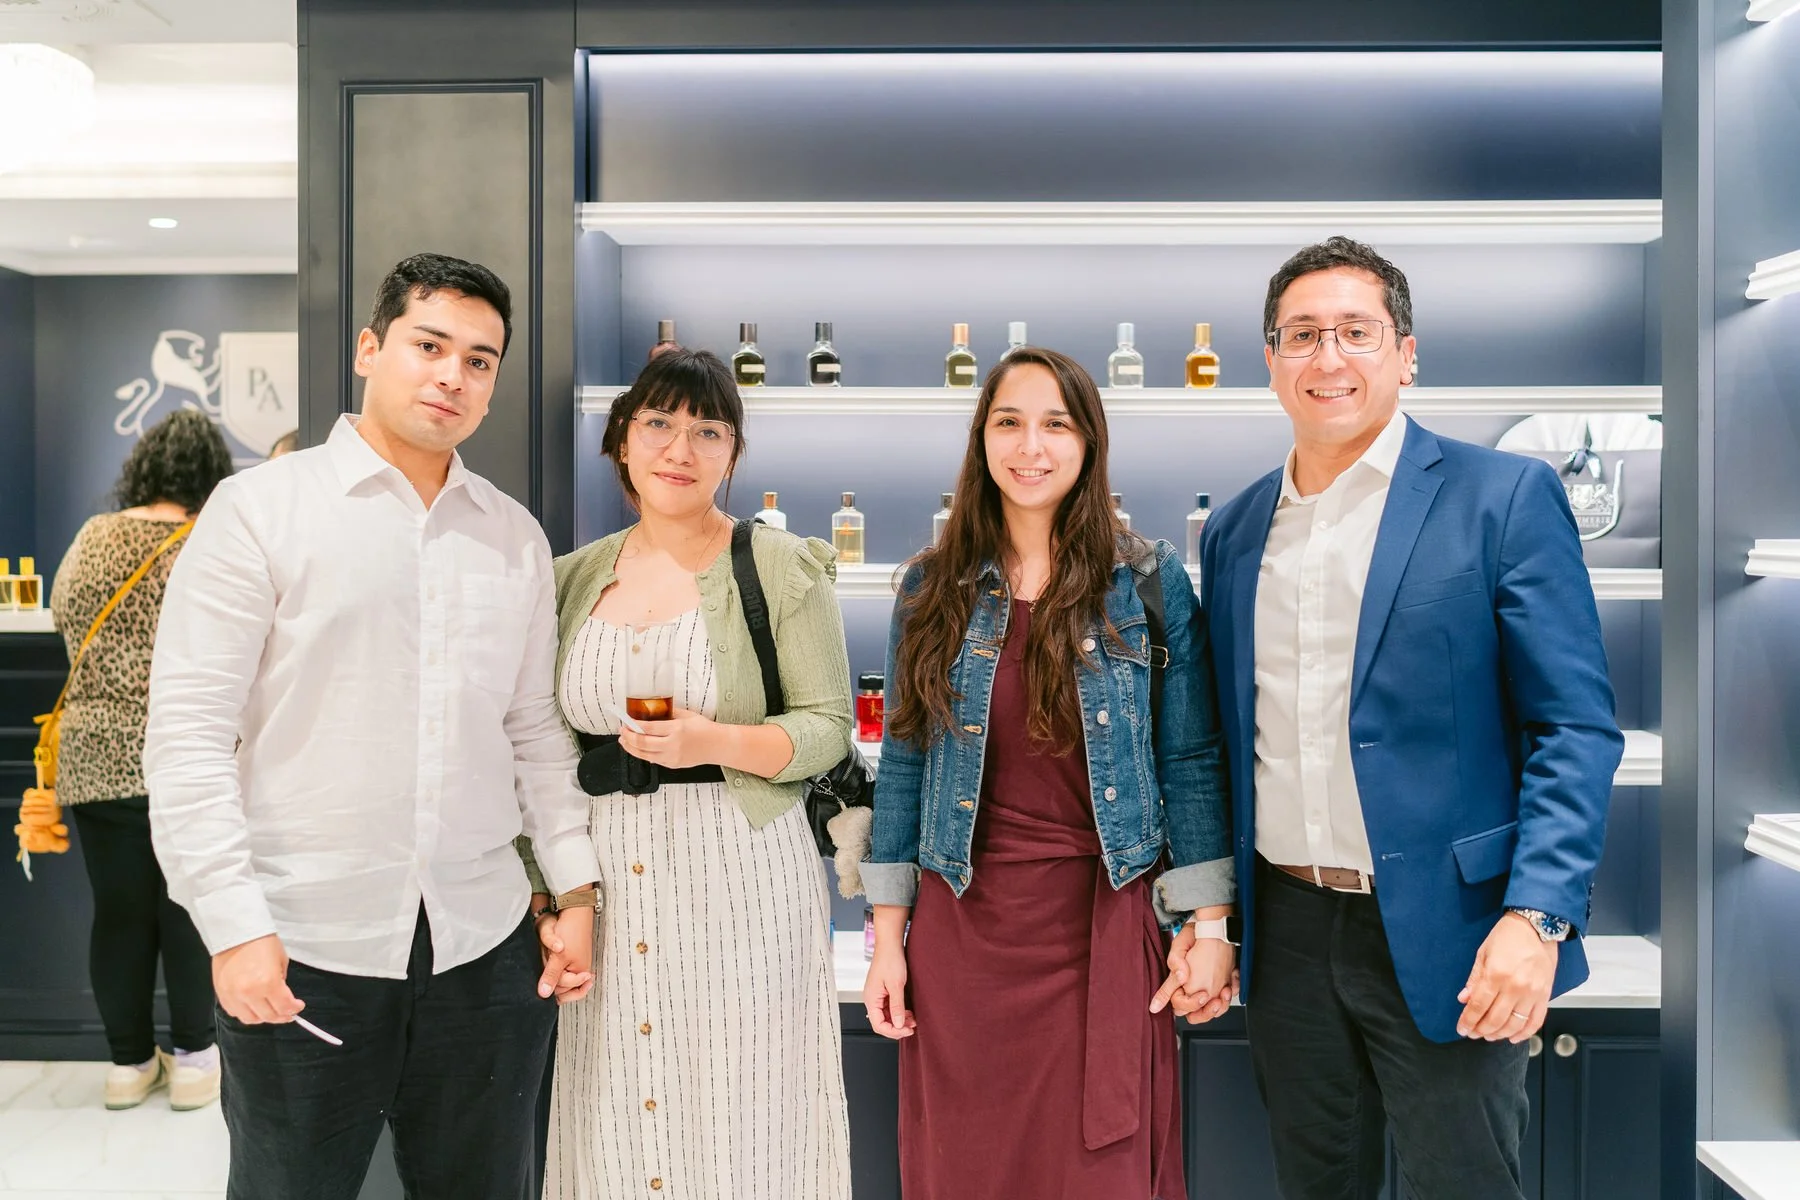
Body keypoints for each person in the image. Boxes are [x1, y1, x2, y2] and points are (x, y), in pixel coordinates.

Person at [143, 252, 599, 1200]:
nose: (453, 376)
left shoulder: (510, 533)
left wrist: (574, 890)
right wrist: (230, 926)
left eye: (480, 360)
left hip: (483, 953)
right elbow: (187, 735)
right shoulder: (261, 509)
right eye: (429, 345)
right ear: (369, 349)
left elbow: (534, 734)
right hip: (305, 943)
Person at [1186, 236, 1623, 1199]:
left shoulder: (1502, 498)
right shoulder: (1236, 530)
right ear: (1270, 359)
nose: (1327, 357)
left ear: (1406, 352)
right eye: (1301, 335)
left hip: (1455, 928)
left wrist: (1535, 916)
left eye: (1355, 332)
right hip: (1289, 927)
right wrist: (1211, 913)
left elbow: (1575, 730)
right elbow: (1221, 741)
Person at [859, 347, 1235, 1200]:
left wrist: (1208, 924)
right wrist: (887, 942)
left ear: (1089, 441)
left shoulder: (1146, 581)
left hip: (1102, 921)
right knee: (966, 1168)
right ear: (981, 440)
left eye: (1056, 425)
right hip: (963, 929)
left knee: (1095, 1173)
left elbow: (1190, 757)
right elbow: (908, 763)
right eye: (1010, 423)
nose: (1032, 446)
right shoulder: (931, 588)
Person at [528, 347, 854, 1199]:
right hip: (606, 878)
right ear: (623, 442)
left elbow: (826, 729)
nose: (681, 448)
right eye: (660, 424)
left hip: (742, 874)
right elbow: (543, 752)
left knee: (746, 1109)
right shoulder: (570, 579)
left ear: (732, 454)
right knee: (615, 1106)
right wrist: (553, 893)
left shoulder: (778, 565)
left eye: (708, 430)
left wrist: (716, 741)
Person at [45, 408, 233, 1112]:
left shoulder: (94, 537)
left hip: (96, 760)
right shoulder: (208, 541)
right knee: (187, 909)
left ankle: (126, 1065)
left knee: (119, 914)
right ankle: (192, 1061)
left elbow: (65, 618)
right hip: (188, 757)